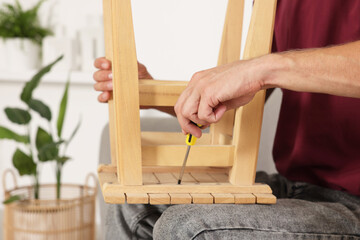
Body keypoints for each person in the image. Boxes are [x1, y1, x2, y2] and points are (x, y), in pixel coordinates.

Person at [93, 0, 360, 239]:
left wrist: (262, 69)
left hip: (354, 199)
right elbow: (240, 103)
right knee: (131, 207)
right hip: (298, 185)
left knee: (187, 226)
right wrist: (152, 93)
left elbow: (260, 74)